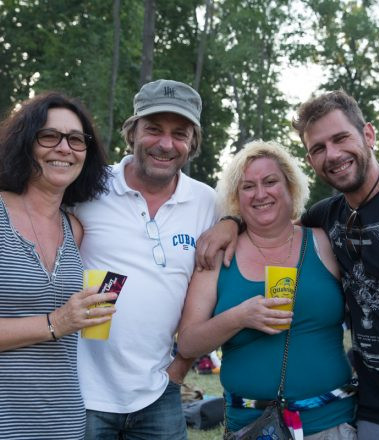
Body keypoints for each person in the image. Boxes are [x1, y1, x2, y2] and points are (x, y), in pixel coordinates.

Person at [196, 91, 379, 440]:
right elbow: (273, 220)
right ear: (310, 160)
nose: (333, 155)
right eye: (319, 148)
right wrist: (231, 222)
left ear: (368, 135)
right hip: (371, 412)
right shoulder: (329, 216)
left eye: (341, 138)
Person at [178, 140, 356, 439]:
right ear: (237, 197)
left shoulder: (324, 242)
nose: (260, 194)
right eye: (248, 186)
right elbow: (187, 344)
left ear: (291, 187)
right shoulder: (218, 255)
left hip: (332, 422)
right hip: (252, 427)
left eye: (271, 182)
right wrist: (239, 317)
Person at [72, 79, 217, 439]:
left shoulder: (208, 203)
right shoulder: (86, 187)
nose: (166, 144)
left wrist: (181, 367)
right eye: (153, 129)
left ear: (192, 142)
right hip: (81, 393)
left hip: (159, 392)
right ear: (132, 132)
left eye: (179, 133)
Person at [0, 92, 116, 439]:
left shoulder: (75, 229)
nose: (64, 148)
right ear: (25, 143)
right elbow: (57, 321)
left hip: (63, 421)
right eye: (49, 136)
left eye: (76, 139)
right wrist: (55, 322)